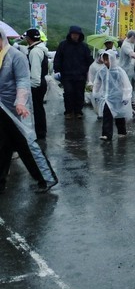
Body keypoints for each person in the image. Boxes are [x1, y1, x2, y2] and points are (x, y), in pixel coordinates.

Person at [0, 27, 58, 193]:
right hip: (1, 109)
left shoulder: (15, 56)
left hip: (17, 109)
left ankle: (46, 178)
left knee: (26, 144)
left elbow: (23, 81)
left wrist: (20, 102)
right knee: (3, 146)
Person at [53, 25, 93, 119]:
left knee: (79, 93)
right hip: (66, 75)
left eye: (77, 34)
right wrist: (57, 70)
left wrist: (89, 71)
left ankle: (78, 111)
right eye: (73, 34)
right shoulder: (63, 45)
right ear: (70, 34)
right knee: (68, 93)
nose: (75, 36)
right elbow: (57, 58)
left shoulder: (84, 46)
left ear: (80, 35)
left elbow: (89, 60)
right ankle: (68, 111)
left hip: (80, 75)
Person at [92, 51, 132, 140]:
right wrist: (95, 93)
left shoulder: (119, 71)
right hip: (106, 97)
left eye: (108, 59)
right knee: (107, 114)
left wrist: (126, 96)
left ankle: (122, 131)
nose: (106, 61)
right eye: (104, 59)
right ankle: (106, 134)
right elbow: (97, 82)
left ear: (112, 59)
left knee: (119, 115)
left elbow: (126, 84)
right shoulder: (101, 71)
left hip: (117, 97)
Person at [23, 28, 49, 139]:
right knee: (39, 108)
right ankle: (41, 131)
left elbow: (35, 71)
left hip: (37, 83)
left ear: (28, 39)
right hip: (41, 81)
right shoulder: (40, 49)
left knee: (37, 108)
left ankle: (40, 132)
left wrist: (32, 85)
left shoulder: (35, 51)